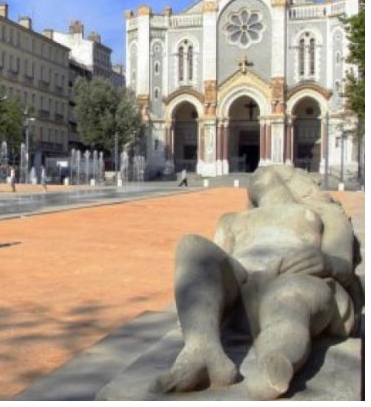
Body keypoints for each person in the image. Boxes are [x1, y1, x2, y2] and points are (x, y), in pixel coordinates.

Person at [151, 165, 361, 400]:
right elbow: (217, 264)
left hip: (297, 280)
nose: (260, 177)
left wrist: (327, 262)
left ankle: (275, 361)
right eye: (256, 178)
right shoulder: (232, 220)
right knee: (192, 247)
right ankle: (202, 349)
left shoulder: (325, 214)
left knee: (288, 298)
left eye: (272, 173)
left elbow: (343, 264)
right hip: (243, 287)